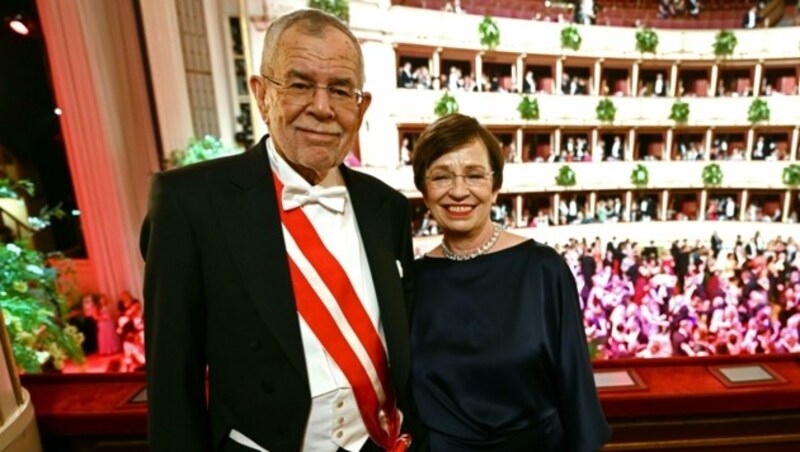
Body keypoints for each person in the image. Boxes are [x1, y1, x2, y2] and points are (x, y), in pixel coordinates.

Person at [141, 9, 418, 452]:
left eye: (341, 90)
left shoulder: (388, 207)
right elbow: (173, 381)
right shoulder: (188, 202)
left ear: (360, 107)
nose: (322, 107)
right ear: (261, 94)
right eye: (300, 84)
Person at [409, 113, 610, 451]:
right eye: (441, 177)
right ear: (425, 192)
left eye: (474, 175)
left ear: (495, 186)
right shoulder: (412, 282)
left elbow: (576, 392)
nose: (459, 191)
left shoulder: (544, 270)